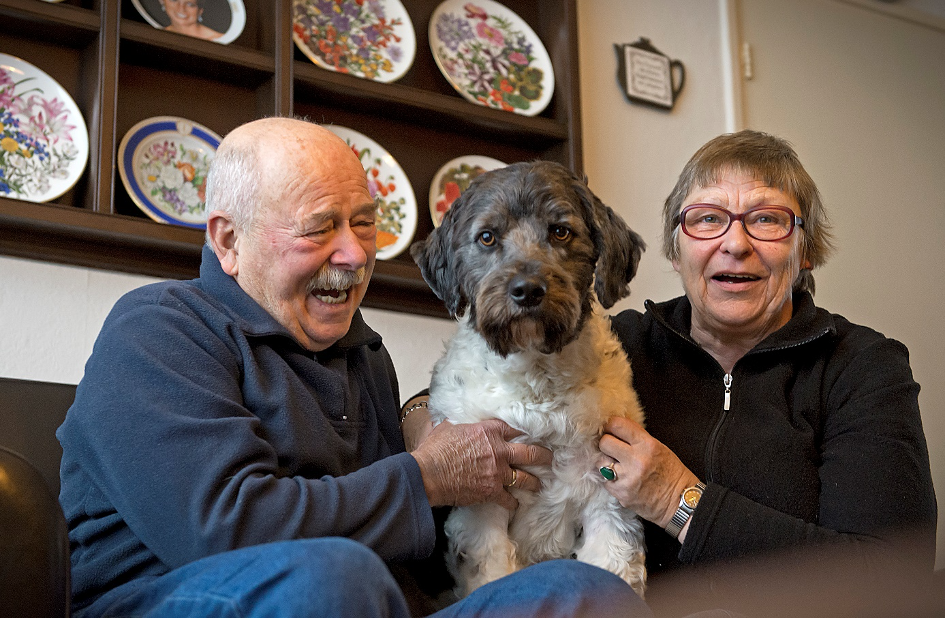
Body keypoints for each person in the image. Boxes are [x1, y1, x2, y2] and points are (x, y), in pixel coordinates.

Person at [56, 117, 651, 617]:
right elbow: (222, 530)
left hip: (363, 600)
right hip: (187, 599)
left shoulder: (362, 354)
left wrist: (424, 419)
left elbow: (409, 534)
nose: (353, 253)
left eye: (363, 224)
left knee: (581, 593)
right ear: (229, 241)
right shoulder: (159, 329)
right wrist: (424, 478)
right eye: (320, 228)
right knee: (334, 575)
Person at [400, 129, 939, 617]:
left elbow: (892, 576)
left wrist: (680, 501)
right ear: (676, 250)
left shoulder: (862, 368)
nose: (735, 242)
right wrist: (424, 423)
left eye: (767, 219)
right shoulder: (621, 344)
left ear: (806, 253)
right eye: (707, 219)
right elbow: (476, 387)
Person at [159, 0, 224, 41]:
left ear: (200, 10)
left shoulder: (218, 40)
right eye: (174, 0)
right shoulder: (158, 35)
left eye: (190, 4)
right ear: (162, 1)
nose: (181, 9)